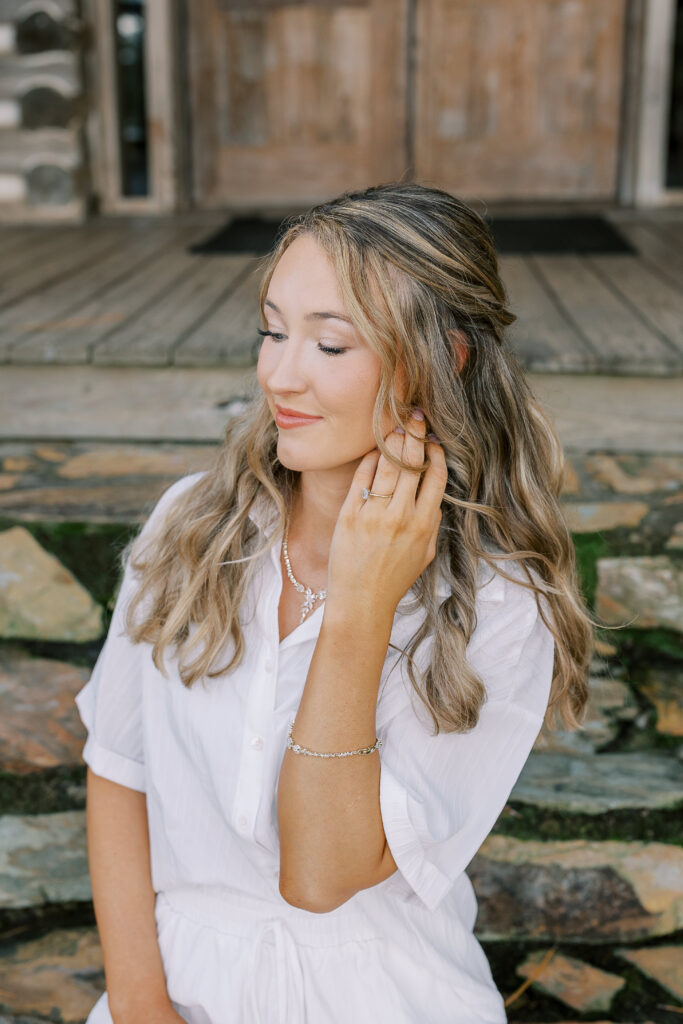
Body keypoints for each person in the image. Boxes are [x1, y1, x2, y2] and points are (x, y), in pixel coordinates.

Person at [75, 181, 596, 1024]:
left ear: (442, 360)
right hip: (172, 983)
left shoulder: (501, 603)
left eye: (330, 345)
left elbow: (320, 877)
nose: (280, 374)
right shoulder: (190, 525)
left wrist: (360, 603)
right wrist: (140, 1006)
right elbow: (118, 770)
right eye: (272, 330)